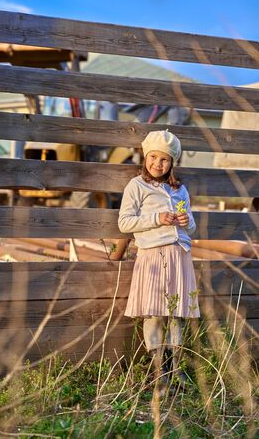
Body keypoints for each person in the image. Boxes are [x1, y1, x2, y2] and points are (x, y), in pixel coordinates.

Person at [118, 130, 200, 386]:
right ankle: (158, 370)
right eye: (153, 157)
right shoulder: (136, 186)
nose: (157, 163)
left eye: (164, 159)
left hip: (179, 255)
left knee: (177, 314)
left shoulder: (180, 189)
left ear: (172, 163)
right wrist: (157, 218)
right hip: (152, 256)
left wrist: (188, 221)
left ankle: (177, 367)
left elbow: (192, 228)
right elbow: (124, 223)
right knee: (153, 312)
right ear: (145, 156)